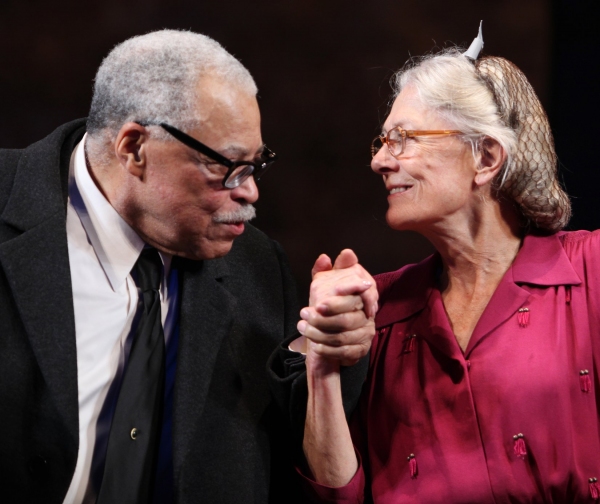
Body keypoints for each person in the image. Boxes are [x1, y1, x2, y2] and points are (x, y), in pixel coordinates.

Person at [0, 30, 377, 503]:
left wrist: (333, 346)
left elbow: (303, 465)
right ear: (134, 147)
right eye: (227, 167)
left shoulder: (257, 267)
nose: (249, 192)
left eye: (256, 166)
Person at [296, 27, 600, 503]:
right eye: (381, 141)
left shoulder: (590, 274)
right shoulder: (377, 311)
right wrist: (323, 359)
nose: (379, 161)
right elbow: (340, 496)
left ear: (485, 157)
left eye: (402, 139)